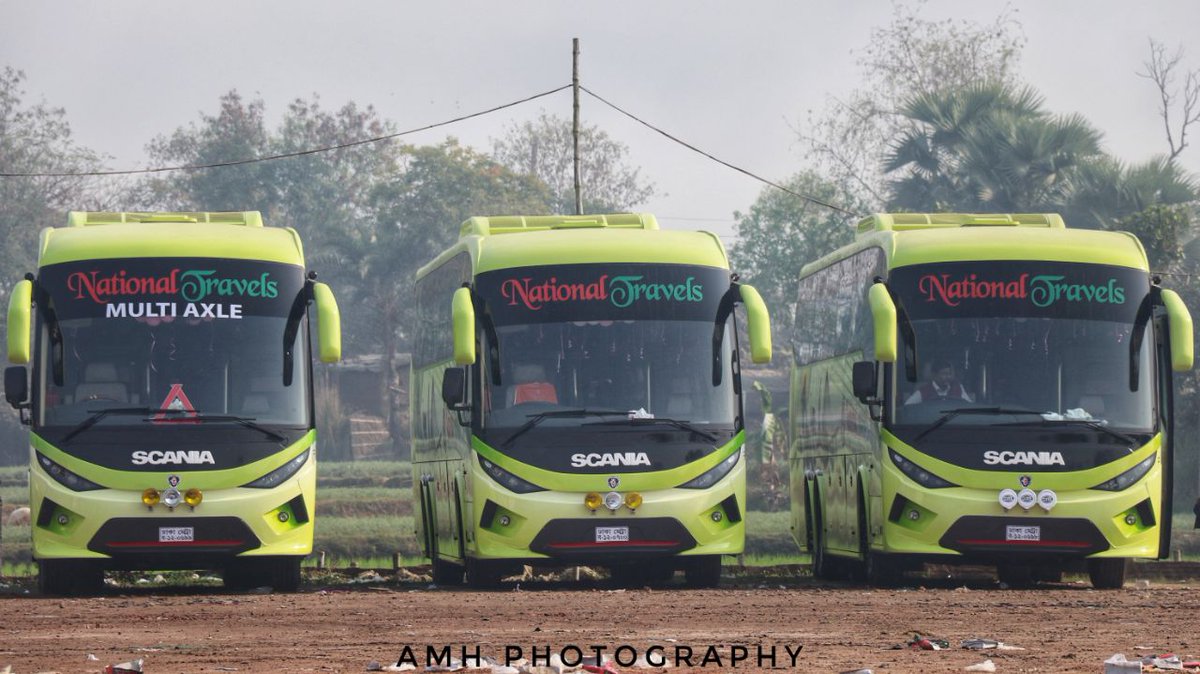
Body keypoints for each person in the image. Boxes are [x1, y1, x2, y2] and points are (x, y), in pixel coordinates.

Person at [905, 359, 973, 405]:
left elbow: (969, 405)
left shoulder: (958, 388)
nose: (948, 377)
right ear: (934, 375)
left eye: (949, 374)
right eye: (944, 374)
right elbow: (908, 407)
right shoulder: (924, 391)